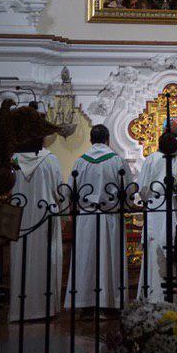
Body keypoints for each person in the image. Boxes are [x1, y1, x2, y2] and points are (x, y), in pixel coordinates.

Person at [65, 124, 133, 311]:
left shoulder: (80, 162)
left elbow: (70, 191)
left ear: (90, 140)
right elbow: (129, 190)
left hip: (86, 218)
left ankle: (84, 303)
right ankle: (110, 302)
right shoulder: (117, 161)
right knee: (110, 259)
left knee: (85, 260)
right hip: (110, 216)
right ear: (108, 140)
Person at [137, 117, 177, 302]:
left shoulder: (151, 159)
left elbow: (142, 190)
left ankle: (153, 297)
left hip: (155, 210)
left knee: (155, 251)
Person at [9, 139, 64, 321]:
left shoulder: (13, 161)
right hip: (44, 215)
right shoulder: (50, 160)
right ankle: (45, 309)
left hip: (21, 216)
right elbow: (60, 192)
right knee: (46, 259)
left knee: (22, 260)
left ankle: (20, 309)